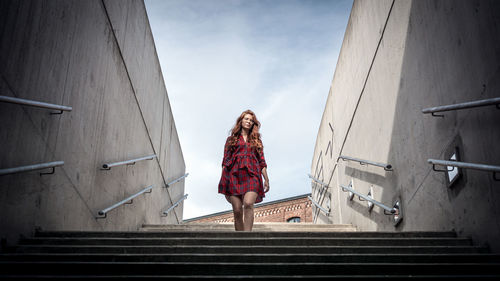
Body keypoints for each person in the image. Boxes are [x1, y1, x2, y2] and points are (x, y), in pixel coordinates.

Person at [218, 110, 270, 231]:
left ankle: (248, 237)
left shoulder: (256, 141)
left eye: (251, 120)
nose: (249, 122)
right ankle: (240, 239)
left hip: (252, 175)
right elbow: (225, 161)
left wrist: (266, 179)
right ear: (241, 121)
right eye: (246, 119)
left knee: (248, 203)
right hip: (233, 176)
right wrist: (223, 179)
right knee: (237, 209)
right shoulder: (231, 140)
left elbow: (262, 161)